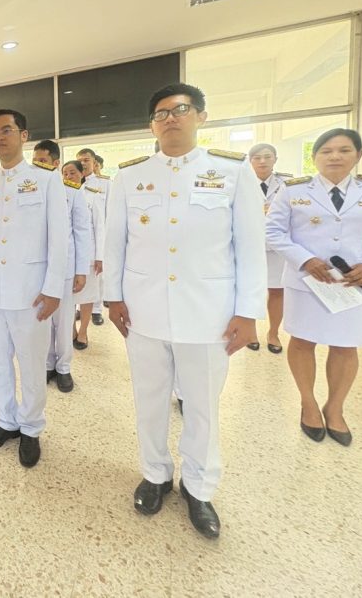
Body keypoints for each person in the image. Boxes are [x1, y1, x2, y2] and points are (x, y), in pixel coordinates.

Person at [104, 83, 266, 539]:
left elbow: (250, 247)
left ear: (201, 116)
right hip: (144, 311)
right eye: (161, 114)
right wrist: (113, 297)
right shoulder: (130, 177)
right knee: (150, 400)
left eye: (180, 109)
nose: (171, 118)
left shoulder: (232, 171)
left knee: (202, 406)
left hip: (209, 313)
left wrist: (248, 311)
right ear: (151, 126)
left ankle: (199, 486)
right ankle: (155, 474)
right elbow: (114, 243)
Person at [266, 128, 362, 446]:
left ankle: (335, 408)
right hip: (308, 283)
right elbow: (273, 231)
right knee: (302, 342)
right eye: (326, 151)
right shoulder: (293, 190)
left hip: (354, 284)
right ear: (315, 157)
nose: (335, 156)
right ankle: (308, 404)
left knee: (346, 347)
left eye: (344, 150)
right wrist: (305, 259)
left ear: (358, 155)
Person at [0, 109, 68, 468]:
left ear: (23, 136)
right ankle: (5, 421)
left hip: (30, 292)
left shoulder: (46, 179)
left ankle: (31, 427)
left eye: (6, 130)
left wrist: (53, 288)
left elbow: (59, 238)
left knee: (32, 364)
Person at [31, 141, 91, 393]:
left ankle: (64, 367)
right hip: (37, 269)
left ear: (56, 163)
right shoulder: (29, 190)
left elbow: (82, 231)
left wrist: (81, 270)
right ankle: (48, 364)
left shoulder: (71, 191)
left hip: (65, 268)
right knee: (42, 319)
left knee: (64, 322)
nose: (38, 165)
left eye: (43, 161)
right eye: (35, 161)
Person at [246, 143, 292, 353]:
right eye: (257, 157)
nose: (262, 161)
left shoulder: (288, 184)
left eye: (267, 157)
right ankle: (251, 332)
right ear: (250, 161)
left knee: (277, 291)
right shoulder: (240, 181)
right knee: (250, 290)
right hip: (250, 245)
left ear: (275, 159)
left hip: (277, 247)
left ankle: (273, 332)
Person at [62, 161, 103, 351]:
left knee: (87, 297)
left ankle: (83, 331)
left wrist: (100, 256)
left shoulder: (93, 195)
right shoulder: (61, 195)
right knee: (69, 298)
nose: (68, 176)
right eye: (65, 173)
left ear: (82, 174)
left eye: (72, 172)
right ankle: (71, 330)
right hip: (68, 256)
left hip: (89, 256)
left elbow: (100, 228)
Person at [76, 148, 111, 326]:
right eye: (80, 160)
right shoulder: (74, 184)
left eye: (86, 160)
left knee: (98, 278)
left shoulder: (105, 184)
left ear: (94, 162)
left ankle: (96, 310)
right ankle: (81, 308)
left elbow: (108, 215)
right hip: (82, 242)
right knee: (84, 279)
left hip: (101, 236)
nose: (83, 163)